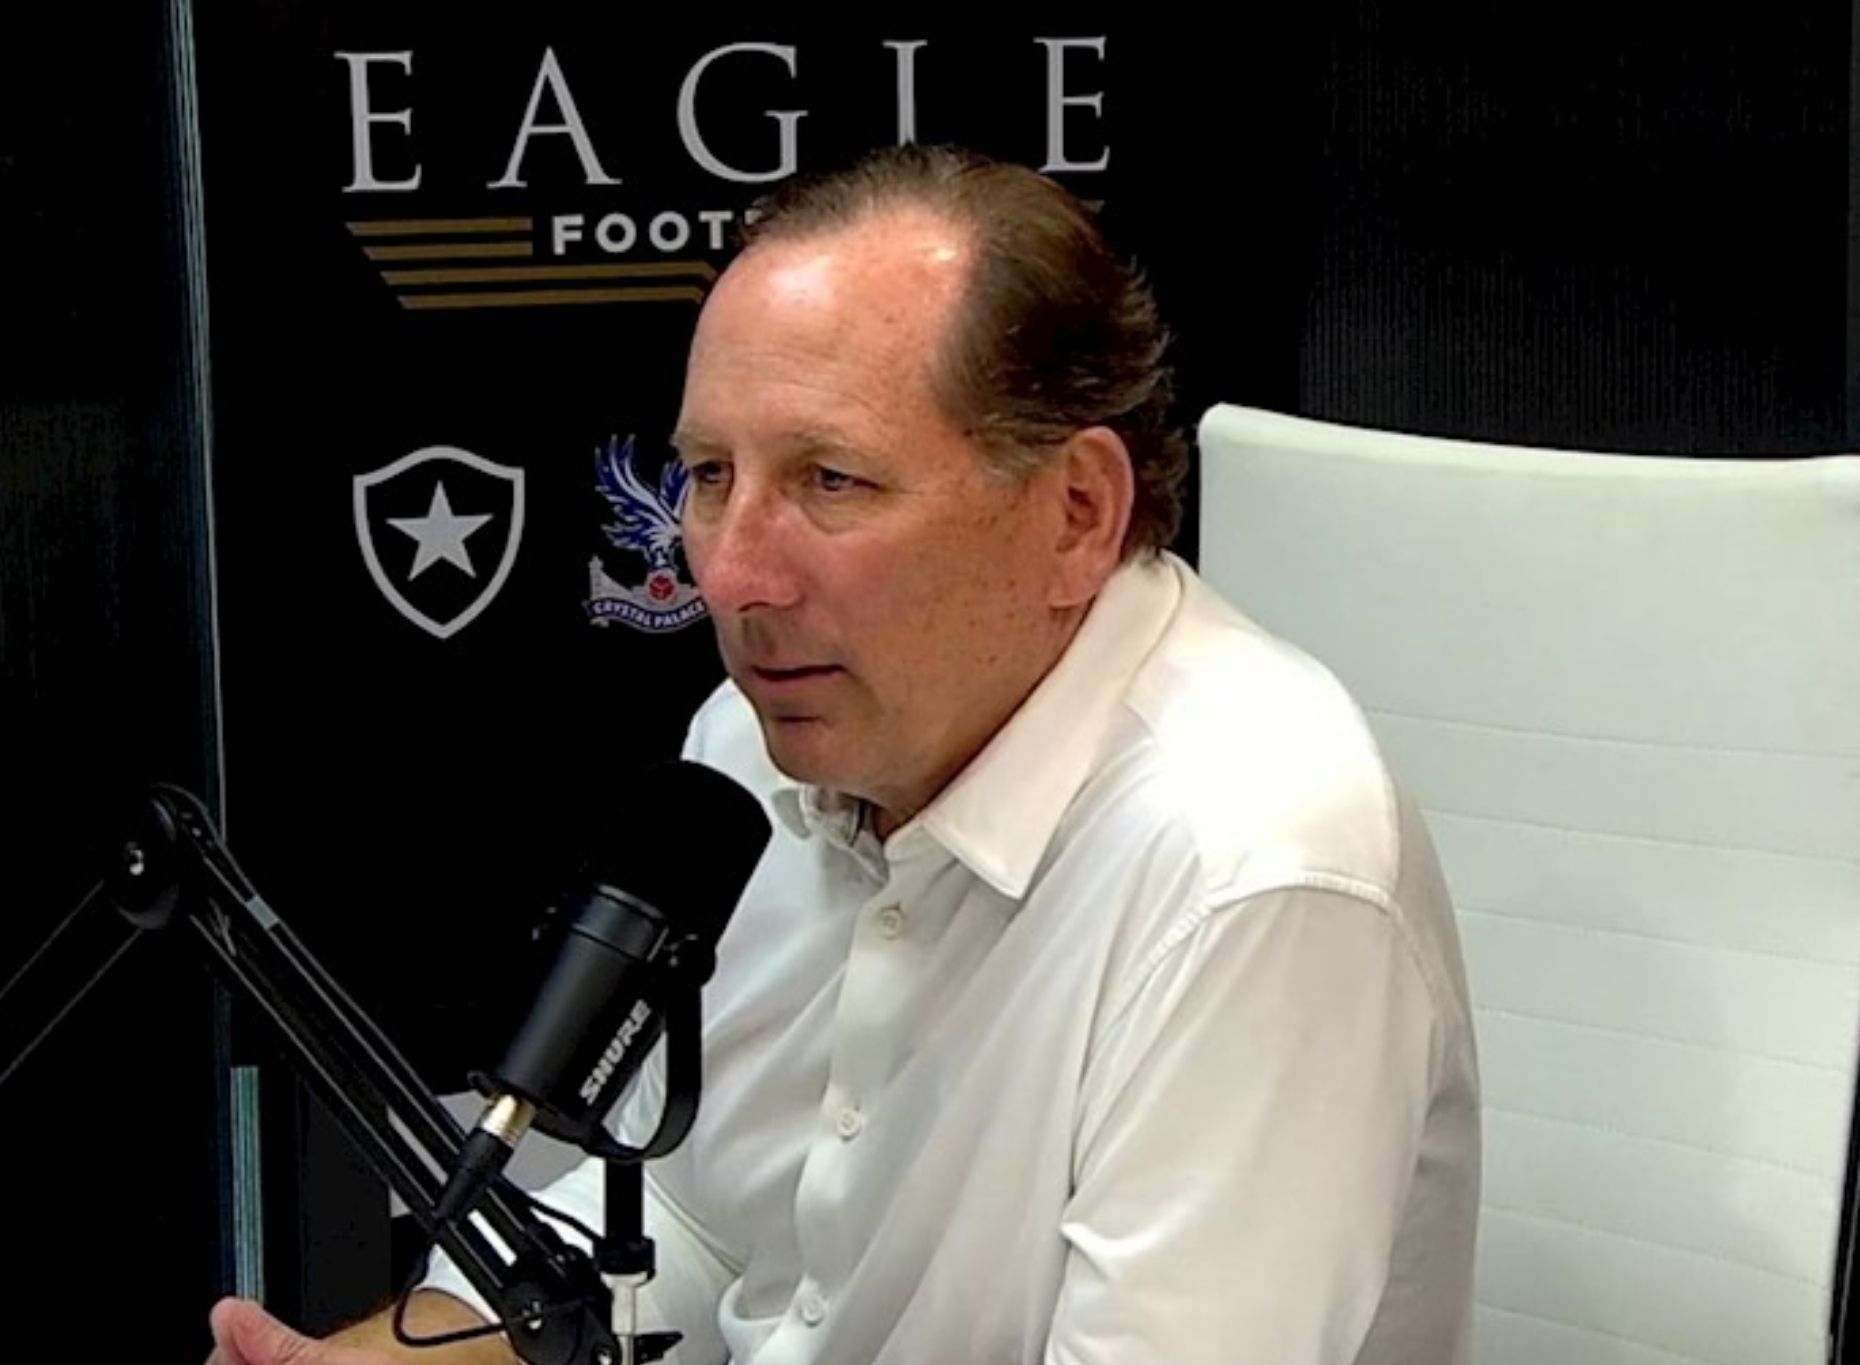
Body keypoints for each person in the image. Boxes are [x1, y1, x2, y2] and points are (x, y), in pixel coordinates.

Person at [206, 144, 1479, 1365]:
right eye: (711, 474)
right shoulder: (765, 738)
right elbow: (693, 1216)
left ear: (1075, 513)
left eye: (831, 481)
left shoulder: (1250, 871)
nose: (730, 576)